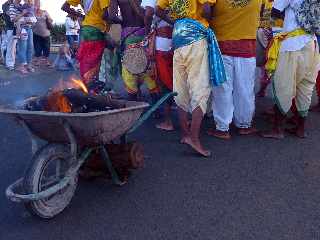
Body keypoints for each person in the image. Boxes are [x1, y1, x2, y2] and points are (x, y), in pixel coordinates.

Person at [157, 0, 226, 157]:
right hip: (195, 38)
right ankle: (194, 138)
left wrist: (178, 20)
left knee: (181, 89)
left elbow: (158, 10)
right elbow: (207, 10)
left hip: (178, 38)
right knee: (200, 89)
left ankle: (186, 134)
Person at [261, 0, 320, 139]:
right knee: (305, 86)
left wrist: (274, 32)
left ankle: (277, 129)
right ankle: (300, 129)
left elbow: (274, 12)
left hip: (291, 44)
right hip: (311, 44)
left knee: (284, 84)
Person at [207, 0, 262, 140]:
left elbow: (206, 11)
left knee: (222, 88)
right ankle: (244, 125)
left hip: (221, 45)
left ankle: (222, 128)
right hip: (247, 45)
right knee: (245, 88)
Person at [108, 0, 159, 102]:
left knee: (130, 68)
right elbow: (149, 12)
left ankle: (134, 105)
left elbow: (112, 17)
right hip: (144, 32)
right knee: (147, 67)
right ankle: (156, 107)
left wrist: (123, 22)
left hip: (128, 35)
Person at [141, 0, 174, 131]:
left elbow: (149, 13)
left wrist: (147, 30)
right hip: (179, 37)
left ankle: (168, 121)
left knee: (164, 81)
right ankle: (187, 118)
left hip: (162, 42)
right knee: (179, 77)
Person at [62, 0, 110, 86]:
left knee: (86, 58)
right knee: (95, 60)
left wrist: (82, 16)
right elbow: (105, 15)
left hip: (86, 28)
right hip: (97, 29)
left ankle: (86, 85)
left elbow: (64, 7)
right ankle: (92, 86)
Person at [9, 0, 34, 74]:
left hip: (29, 28)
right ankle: (22, 66)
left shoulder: (22, 5)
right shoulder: (12, 6)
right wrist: (23, 13)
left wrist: (31, 20)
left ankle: (28, 65)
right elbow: (13, 19)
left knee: (30, 47)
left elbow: (29, 15)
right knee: (23, 48)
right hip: (22, 29)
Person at [2, 0, 17, 70]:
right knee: (9, 46)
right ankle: (9, 64)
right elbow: (9, 14)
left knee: (13, 47)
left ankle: (11, 62)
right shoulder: (5, 5)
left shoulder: (16, 4)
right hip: (9, 28)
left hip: (16, 28)